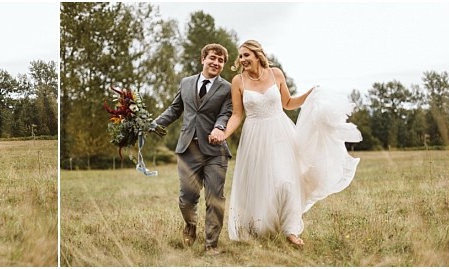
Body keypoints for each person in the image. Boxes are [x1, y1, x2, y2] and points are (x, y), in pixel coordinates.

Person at [221, 40, 361, 247]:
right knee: (261, 183)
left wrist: (309, 94)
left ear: (257, 55)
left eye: (246, 55)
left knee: (285, 180)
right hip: (254, 137)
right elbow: (236, 114)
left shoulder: (275, 74)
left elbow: (288, 103)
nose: (242, 60)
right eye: (240, 56)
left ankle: (290, 230)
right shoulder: (238, 81)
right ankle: (260, 228)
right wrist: (223, 134)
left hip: (279, 133)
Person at [152, 43, 233, 255]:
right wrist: (153, 124)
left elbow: (226, 113)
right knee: (186, 199)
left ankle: (211, 244)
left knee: (215, 198)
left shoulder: (227, 88)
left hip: (215, 152)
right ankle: (190, 224)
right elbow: (174, 109)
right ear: (203, 59)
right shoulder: (186, 83)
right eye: (212, 58)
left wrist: (219, 127)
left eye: (221, 60)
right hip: (188, 149)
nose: (216, 62)